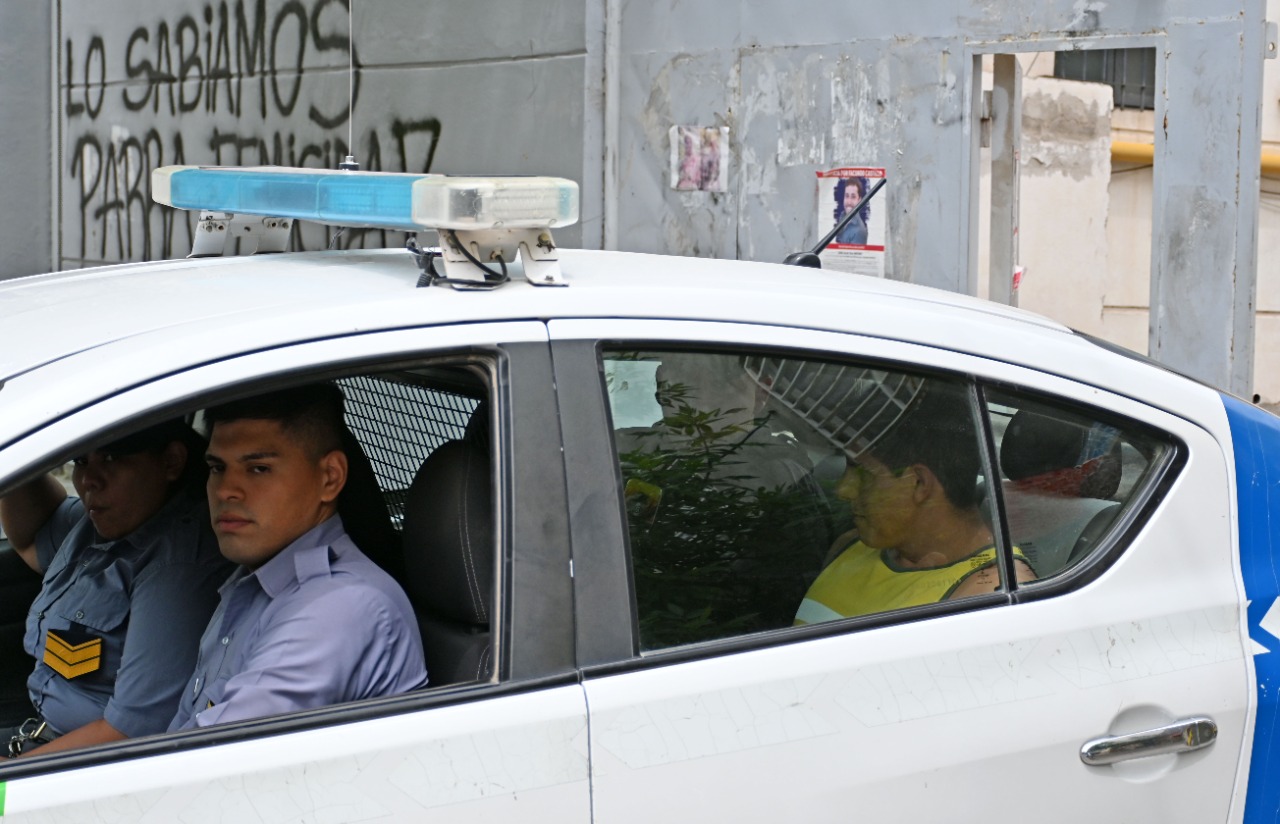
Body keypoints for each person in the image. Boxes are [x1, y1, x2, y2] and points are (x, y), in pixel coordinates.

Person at [168, 383, 426, 731]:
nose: (226, 489)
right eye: (217, 468)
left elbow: (202, 765)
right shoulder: (256, 581)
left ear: (329, 478)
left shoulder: (339, 608)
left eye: (258, 468)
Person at [0, 420, 228, 756]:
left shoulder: (176, 567)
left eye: (110, 459)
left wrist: (10, 774)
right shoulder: (101, 520)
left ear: (171, 462)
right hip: (39, 727)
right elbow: (29, 539)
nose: (89, 480)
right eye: (80, 461)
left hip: (73, 765)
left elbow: (131, 733)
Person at [792, 379, 1036, 625]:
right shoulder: (848, 546)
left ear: (919, 483)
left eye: (861, 471)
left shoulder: (992, 596)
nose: (844, 490)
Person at [833, 176, 870, 246]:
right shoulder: (842, 216)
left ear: (859, 200)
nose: (849, 202)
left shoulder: (859, 231)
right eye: (847, 196)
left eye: (853, 197)